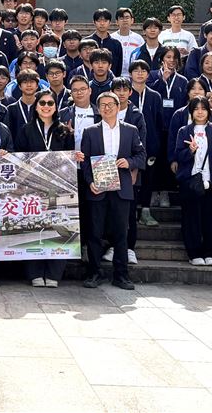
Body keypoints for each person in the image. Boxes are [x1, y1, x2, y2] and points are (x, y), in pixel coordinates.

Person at [79, 92, 144, 290]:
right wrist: (89, 181)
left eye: (110, 104)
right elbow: (85, 162)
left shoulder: (130, 130)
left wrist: (129, 162)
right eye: (103, 105)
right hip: (97, 188)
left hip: (121, 188)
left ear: (118, 107)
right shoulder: (90, 131)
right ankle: (94, 273)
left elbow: (141, 155)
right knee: (95, 232)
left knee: (121, 233)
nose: (107, 108)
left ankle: (121, 275)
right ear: (98, 109)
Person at [21, 90, 78, 287]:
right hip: (32, 187)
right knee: (34, 227)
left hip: (59, 188)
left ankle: (54, 273)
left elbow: (70, 156)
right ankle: (35, 273)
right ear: (36, 106)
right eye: (42, 103)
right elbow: (18, 156)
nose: (46, 106)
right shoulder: (26, 130)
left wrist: (75, 157)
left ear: (56, 107)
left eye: (50, 103)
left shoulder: (65, 131)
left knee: (59, 227)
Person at [170, 96, 212, 266]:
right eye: (196, 109)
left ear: (209, 111)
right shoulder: (184, 131)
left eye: (203, 108)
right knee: (191, 219)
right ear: (191, 112)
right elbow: (178, 156)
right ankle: (194, 253)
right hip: (190, 181)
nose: (200, 112)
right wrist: (190, 151)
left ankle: (210, 253)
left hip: (211, 181)